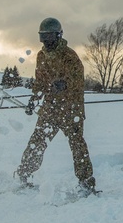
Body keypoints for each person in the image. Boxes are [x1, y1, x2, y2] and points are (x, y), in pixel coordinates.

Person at [16, 17, 96, 195]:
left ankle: (86, 183)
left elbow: (78, 80)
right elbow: (40, 81)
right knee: (37, 140)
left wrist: (65, 83)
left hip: (71, 109)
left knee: (77, 145)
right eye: (43, 37)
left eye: (50, 36)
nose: (46, 41)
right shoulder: (41, 56)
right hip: (50, 108)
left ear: (58, 36)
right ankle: (24, 175)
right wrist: (34, 99)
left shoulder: (69, 56)